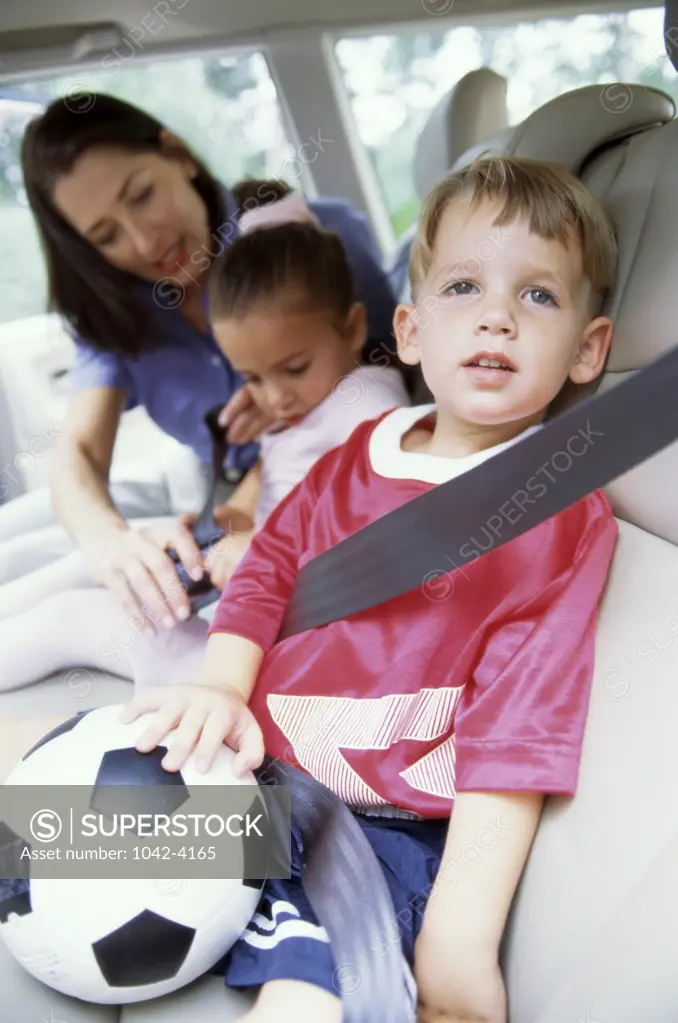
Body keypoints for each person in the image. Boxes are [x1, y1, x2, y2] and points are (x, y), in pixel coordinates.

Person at [1, 153, 621, 1022]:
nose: (496, 318)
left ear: (589, 349)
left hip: (374, 828)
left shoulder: (558, 517)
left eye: (539, 296)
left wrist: (461, 939)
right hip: (255, 767)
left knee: (304, 991)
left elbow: (517, 729)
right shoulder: (350, 459)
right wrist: (218, 684)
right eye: (464, 288)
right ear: (409, 332)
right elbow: (264, 575)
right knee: (50, 781)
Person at [0, 93, 397, 628]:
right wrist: (110, 544)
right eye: (107, 236)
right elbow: (76, 453)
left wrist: (308, 396)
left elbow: (407, 368)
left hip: (291, 498)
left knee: (58, 607)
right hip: (207, 488)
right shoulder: (116, 315)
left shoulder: (310, 239)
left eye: (142, 195)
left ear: (179, 155)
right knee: (20, 540)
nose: (144, 242)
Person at [0, 222, 409, 693]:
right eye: (252, 379)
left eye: (294, 369)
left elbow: (367, 530)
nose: (274, 398)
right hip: (243, 607)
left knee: (69, 617)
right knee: (94, 567)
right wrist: (217, 531)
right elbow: (249, 499)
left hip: (276, 654)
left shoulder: (371, 408)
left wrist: (260, 548)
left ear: (353, 328)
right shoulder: (303, 413)